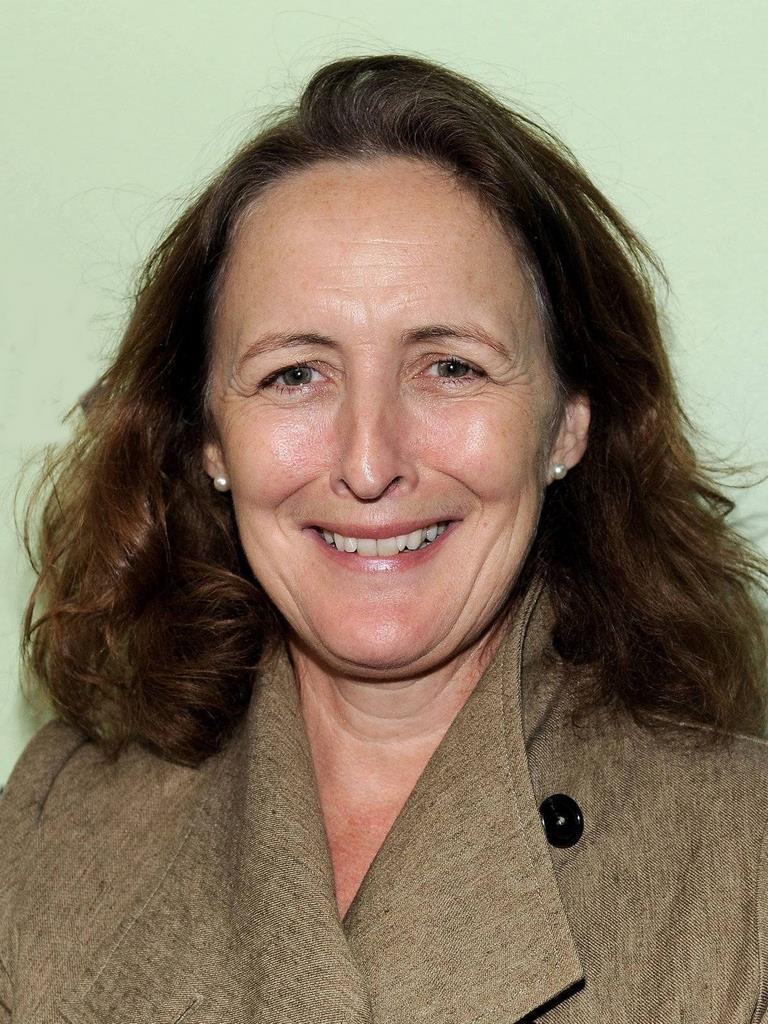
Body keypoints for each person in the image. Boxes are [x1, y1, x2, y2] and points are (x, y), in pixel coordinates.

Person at [1, 52, 767, 1022]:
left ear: (567, 427)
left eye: (449, 366)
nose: (369, 463)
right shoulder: (54, 827)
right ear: (208, 440)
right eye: (294, 374)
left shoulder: (745, 865)